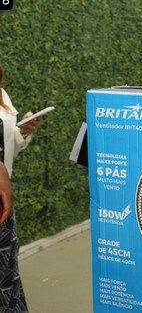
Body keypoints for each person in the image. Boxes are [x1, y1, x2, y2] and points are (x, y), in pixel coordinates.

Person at [0, 62, 42, 312]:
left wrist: (23, 132)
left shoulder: (2, 95)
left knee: (6, 273)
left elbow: (6, 145)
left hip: (3, 199)